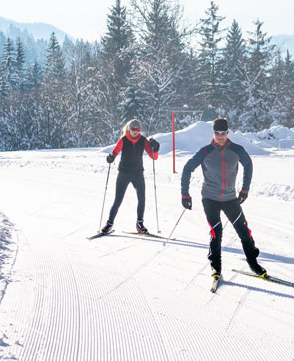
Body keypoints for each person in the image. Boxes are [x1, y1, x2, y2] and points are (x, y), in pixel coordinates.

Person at [180, 117, 266, 285]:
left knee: (244, 231)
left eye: (223, 132)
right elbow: (187, 168)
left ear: (227, 132)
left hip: (229, 198)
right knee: (216, 232)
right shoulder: (205, 151)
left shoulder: (236, 149)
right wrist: (185, 194)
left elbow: (248, 165)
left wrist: (245, 189)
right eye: (217, 132)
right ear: (213, 133)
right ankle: (216, 266)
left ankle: (253, 263)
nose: (220, 136)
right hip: (209, 198)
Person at [101, 119, 160, 234]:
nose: (136, 132)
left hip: (138, 173)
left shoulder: (143, 141)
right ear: (129, 129)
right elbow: (114, 152)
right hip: (124, 173)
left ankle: (140, 223)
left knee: (142, 198)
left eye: (138, 130)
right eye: (133, 129)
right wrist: (111, 158)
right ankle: (109, 223)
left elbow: (154, 157)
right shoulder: (123, 140)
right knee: (118, 199)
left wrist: (156, 149)